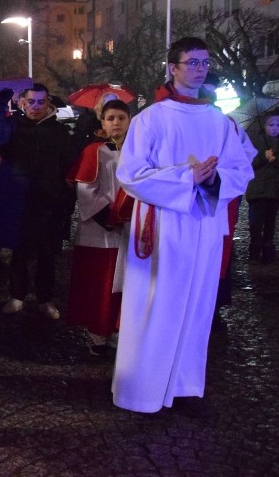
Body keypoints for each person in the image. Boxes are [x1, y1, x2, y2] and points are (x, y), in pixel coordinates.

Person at [112, 37, 254, 415]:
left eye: (204, 62)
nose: (200, 69)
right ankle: (142, 389)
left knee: (197, 305)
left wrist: (211, 181)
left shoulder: (219, 121)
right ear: (172, 68)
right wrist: (185, 178)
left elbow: (241, 170)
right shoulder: (150, 118)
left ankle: (185, 387)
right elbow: (131, 174)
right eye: (191, 62)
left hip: (203, 223)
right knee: (158, 304)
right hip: (162, 225)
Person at [0, 84, 75, 320]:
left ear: (48, 102)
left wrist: (66, 200)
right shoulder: (15, 128)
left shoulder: (59, 132)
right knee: (19, 251)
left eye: (40, 102)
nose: (36, 107)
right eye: (31, 102)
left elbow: (68, 167)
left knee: (47, 254)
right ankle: (17, 295)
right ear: (23, 103)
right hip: (20, 201)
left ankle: (44, 298)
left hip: (49, 203)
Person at [66, 99, 132, 357]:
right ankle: (97, 335)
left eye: (121, 117)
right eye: (111, 118)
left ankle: (119, 331)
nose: (116, 122)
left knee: (126, 282)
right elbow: (85, 189)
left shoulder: (139, 152)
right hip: (100, 230)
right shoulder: (94, 151)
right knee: (99, 283)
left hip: (129, 230)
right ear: (102, 123)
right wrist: (108, 217)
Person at [245, 111, 279, 264]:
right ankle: (254, 250)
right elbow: (248, 164)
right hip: (257, 190)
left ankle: (268, 251)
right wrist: (263, 158)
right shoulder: (254, 142)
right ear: (264, 126)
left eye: (278, 125)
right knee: (255, 222)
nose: (275, 128)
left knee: (270, 221)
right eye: (271, 125)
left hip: (274, 190)